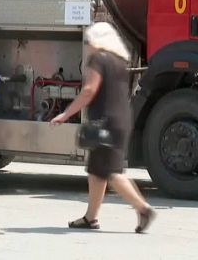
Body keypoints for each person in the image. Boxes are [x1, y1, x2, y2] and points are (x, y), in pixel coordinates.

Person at [51, 22, 156, 233]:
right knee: (98, 170)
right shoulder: (119, 61)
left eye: (89, 41)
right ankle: (91, 217)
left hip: (105, 122)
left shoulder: (98, 59)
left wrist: (66, 113)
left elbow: (89, 90)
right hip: (121, 119)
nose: (88, 45)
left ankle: (143, 209)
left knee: (111, 171)